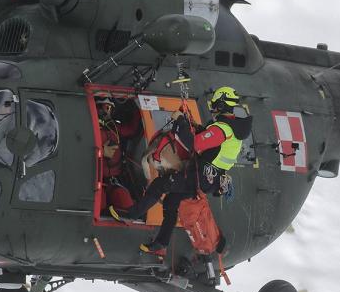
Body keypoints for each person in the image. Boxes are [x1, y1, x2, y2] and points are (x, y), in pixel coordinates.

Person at [110, 86, 252, 254]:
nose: (212, 108)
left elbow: (194, 144)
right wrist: (195, 127)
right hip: (209, 179)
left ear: (220, 105)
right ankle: (161, 243)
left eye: (214, 104)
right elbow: (211, 145)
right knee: (171, 201)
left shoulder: (223, 129)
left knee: (159, 185)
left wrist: (180, 122)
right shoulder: (233, 130)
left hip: (201, 176)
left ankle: (131, 214)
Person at [96, 93, 141, 213]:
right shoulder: (89, 129)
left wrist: (138, 109)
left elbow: (131, 130)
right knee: (98, 208)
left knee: (127, 206)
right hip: (96, 180)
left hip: (114, 180)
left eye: (108, 108)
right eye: (102, 107)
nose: (105, 111)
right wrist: (101, 151)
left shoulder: (115, 128)